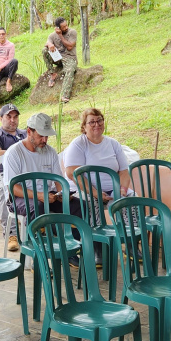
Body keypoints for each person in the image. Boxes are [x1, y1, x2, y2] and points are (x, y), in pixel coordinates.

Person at [2, 112, 85, 263]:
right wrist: (39, 195)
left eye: (47, 136)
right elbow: (12, 188)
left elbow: (59, 180)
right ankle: (38, 258)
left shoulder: (50, 152)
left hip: (48, 195)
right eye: (41, 136)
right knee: (40, 206)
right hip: (21, 197)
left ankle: (70, 250)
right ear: (29, 132)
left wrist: (64, 194)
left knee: (78, 206)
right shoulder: (14, 153)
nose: (44, 140)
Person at [64, 107, 133, 266]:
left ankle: (130, 245)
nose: (97, 124)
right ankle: (98, 249)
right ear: (84, 126)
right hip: (86, 189)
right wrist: (95, 193)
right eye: (92, 122)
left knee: (132, 202)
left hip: (113, 188)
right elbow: (72, 173)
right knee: (90, 205)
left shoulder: (113, 143)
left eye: (99, 120)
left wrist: (121, 190)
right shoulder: (79, 144)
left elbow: (124, 171)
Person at [0, 103, 27, 253]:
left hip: (25, 174)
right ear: (1, 118)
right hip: (3, 175)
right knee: (4, 190)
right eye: (9, 116)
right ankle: (11, 234)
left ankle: (39, 229)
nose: (13, 120)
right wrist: (22, 151)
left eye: (15, 117)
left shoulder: (25, 134)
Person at [43, 17, 78, 104]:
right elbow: (47, 42)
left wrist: (60, 35)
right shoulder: (52, 35)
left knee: (70, 70)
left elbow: (70, 47)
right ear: (58, 28)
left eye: (66, 25)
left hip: (70, 57)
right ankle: (52, 73)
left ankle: (64, 95)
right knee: (44, 50)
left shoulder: (72, 32)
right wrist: (50, 44)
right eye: (63, 27)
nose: (66, 27)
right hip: (58, 58)